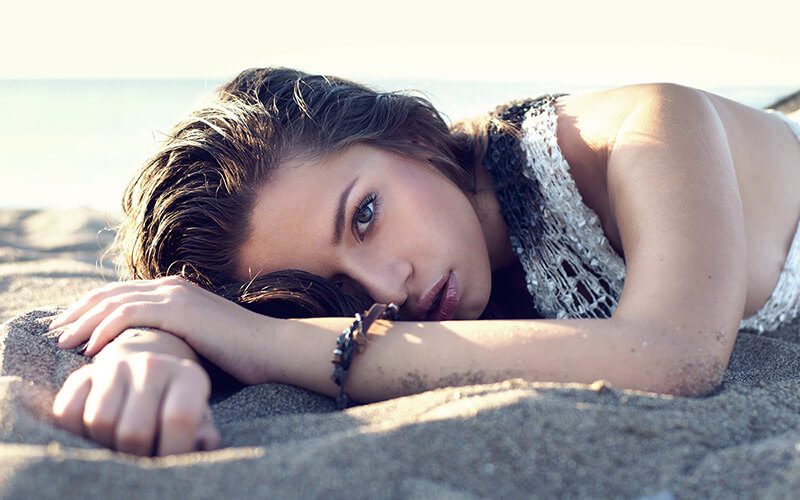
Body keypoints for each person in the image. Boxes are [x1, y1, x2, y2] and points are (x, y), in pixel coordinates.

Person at [47, 67, 800, 456]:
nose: (385, 290)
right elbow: (194, 304)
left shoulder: (642, 127)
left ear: (413, 135)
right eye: (335, 291)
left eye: (364, 216)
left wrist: (275, 344)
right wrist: (155, 342)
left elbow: (676, 357)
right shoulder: (430, 248)